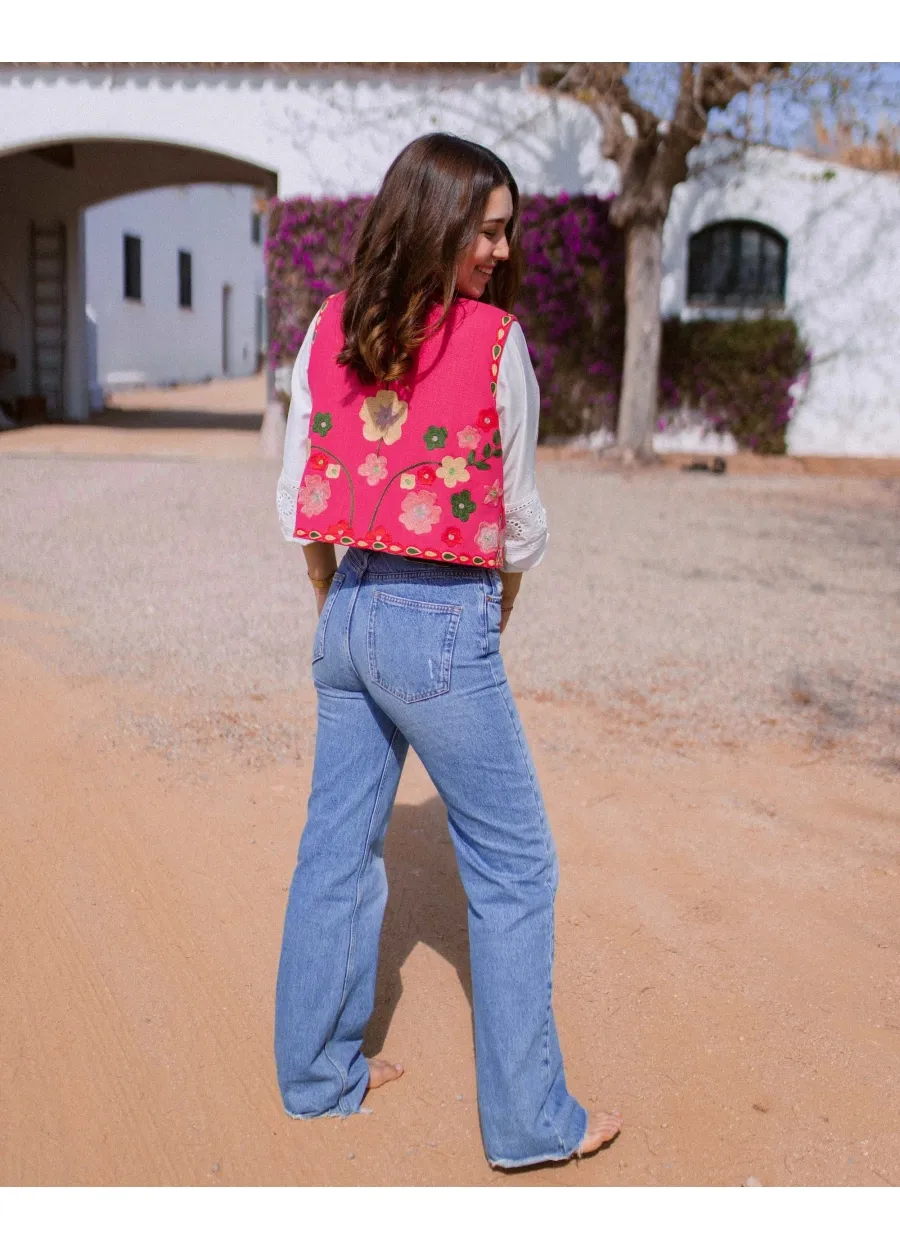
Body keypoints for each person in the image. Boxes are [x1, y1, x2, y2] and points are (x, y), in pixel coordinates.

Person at [274, 132, 622, 1169]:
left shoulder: (327, 329)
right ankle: (529, 1121)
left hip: (348, 609)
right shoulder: (492, 341)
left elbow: (300, 505)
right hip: (441, 614)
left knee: (333, 851)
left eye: (507, 232)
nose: (502, 253)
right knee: (516, 868)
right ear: (438, 221)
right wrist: (480, 620)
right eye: (489, 229)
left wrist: (342, 607)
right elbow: (515, 524)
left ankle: (315, 1078)